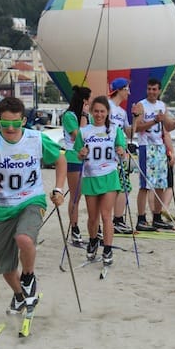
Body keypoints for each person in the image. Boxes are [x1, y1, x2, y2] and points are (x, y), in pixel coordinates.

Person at [0, 96, 66, 313]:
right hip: (3, 207)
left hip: (31, 200)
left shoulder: (36, 138)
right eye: (5, 124)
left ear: (23, 121)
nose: (10, 129)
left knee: (24, 238)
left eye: (15, 124)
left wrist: (58, 189)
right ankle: (20, 296)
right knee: (5, 267)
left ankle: (28, 276)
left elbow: (61, 159)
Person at [74, 96, 126, 264]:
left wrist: (121, 151)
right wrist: (81, 153)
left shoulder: (115, 129)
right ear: (91, 112)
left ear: (107, 112)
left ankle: (108, 249)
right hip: (90, 176)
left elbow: (123, 151)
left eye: (102, 111)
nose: (98, 114)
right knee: (92, 217)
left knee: (106, 215)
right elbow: (78, 153)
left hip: (109, 175)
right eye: (96, 111)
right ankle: (93, 240)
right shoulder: (84, 131)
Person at [132, 78, 175, 231]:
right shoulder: (142, 105)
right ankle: (141, 218)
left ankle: (157, 217)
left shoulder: (162, 105)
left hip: (159, 148)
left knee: (161, 184)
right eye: (149, 89)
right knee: (145, 185)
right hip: (145, 147)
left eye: (154, 89)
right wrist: (154, 121)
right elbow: (137, 127)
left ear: (159, 90)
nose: (151, 92)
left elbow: (167, 126)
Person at [62, 86, 92, 244]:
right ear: (84, 101)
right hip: (73, 157)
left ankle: (95, 229)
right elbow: (79, 136)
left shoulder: (89, 116)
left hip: (89, 159)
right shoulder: (69, 116)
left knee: (89, 194)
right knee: (75, 195)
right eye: (89, 100)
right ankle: (74, 227)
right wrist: (84, 116)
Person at [108, 78, 134, 235]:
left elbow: (129, 133)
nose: (129, 92)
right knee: (119, 187)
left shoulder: (122, 112)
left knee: (125, 186)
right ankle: (116, 220)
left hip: (120, 155)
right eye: (127, 89)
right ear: (120, 90)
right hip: (108, 155)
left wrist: (136, 117)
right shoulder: (107, 106)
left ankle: (118, 219)